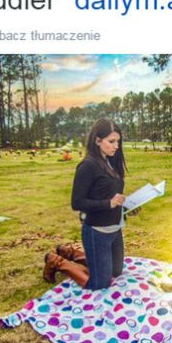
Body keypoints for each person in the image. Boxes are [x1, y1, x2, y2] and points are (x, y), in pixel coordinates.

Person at [43, 118, 136, 290]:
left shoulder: (112, 161)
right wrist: (109, 204)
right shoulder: (87, 166)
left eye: (118, 141)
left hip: (115, 228)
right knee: (100, 283)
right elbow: (76, 202)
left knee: (116, 271)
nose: (116, 146)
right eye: (111, 141)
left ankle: (70, 252)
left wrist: (127, 206)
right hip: (97, 231)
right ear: (97, 141)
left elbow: (110, 194)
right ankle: (56, 261)